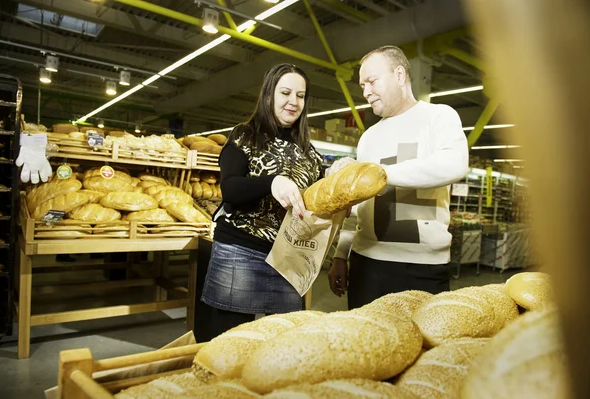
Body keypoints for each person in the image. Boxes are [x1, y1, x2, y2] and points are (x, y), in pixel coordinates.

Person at [327, 45, 469, 309]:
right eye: (362, 86)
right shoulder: (369, 137)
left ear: (400, 75)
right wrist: (341, 255)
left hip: (423, 266)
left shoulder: (438, 117)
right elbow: (357, 206)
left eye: (371, 81)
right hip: (366, 262)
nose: (366, 92)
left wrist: (379, 174)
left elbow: (455, 164)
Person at [200, 63, 323, 337]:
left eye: (300, 95)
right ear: (269, 95)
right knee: (229, 341)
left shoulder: (309, 152)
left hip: (288, 258)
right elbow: (230, 189)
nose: (294, 101)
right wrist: (272, 181)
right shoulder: (245, 135)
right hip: (240, 252)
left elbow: (316, 197)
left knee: (284, 341)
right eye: (286, 93)